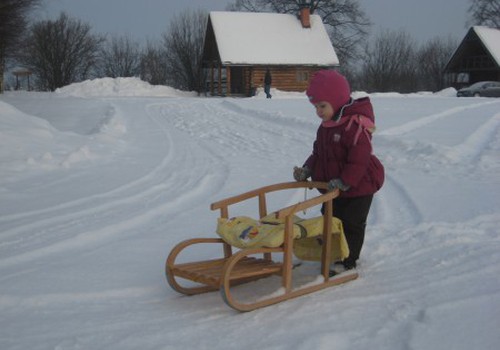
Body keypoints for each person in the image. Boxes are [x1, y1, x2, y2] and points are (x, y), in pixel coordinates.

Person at [293, 70, 384, 275]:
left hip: (359, 186)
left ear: (337, 100)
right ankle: (332, 253)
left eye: (322, 106)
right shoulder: (325, 126)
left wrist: (345, 180)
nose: (318, 111)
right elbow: (319, 153)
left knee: (351, 223)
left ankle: (348, 259)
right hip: (334, 188)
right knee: (330, 219)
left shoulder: (355, 125)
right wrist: (307, 168)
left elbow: (359, 160)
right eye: (316, 107)